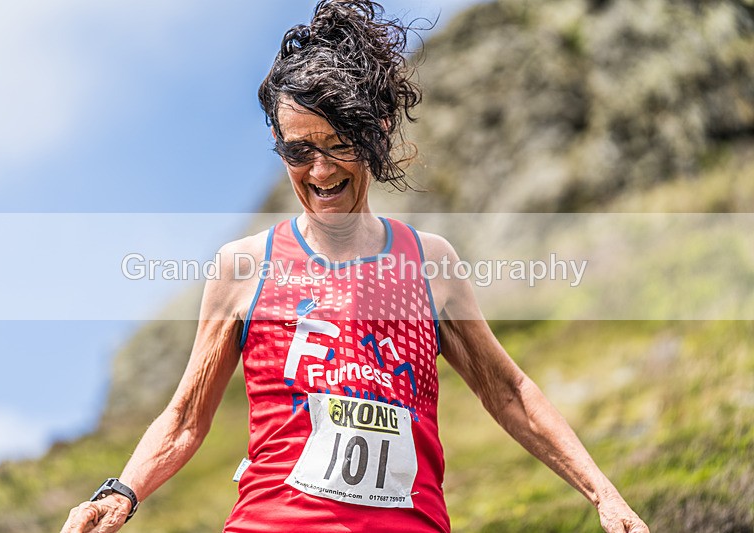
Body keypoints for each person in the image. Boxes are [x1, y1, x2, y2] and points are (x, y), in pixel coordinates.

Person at [61, 1, 650, 532]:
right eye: (298, 151)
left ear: (376, 133)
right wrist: (121, 492)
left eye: (340, 144)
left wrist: (604, 494)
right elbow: (187, 417)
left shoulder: (429, 263)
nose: (319, 172)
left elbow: (509, 393)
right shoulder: (245, 267)